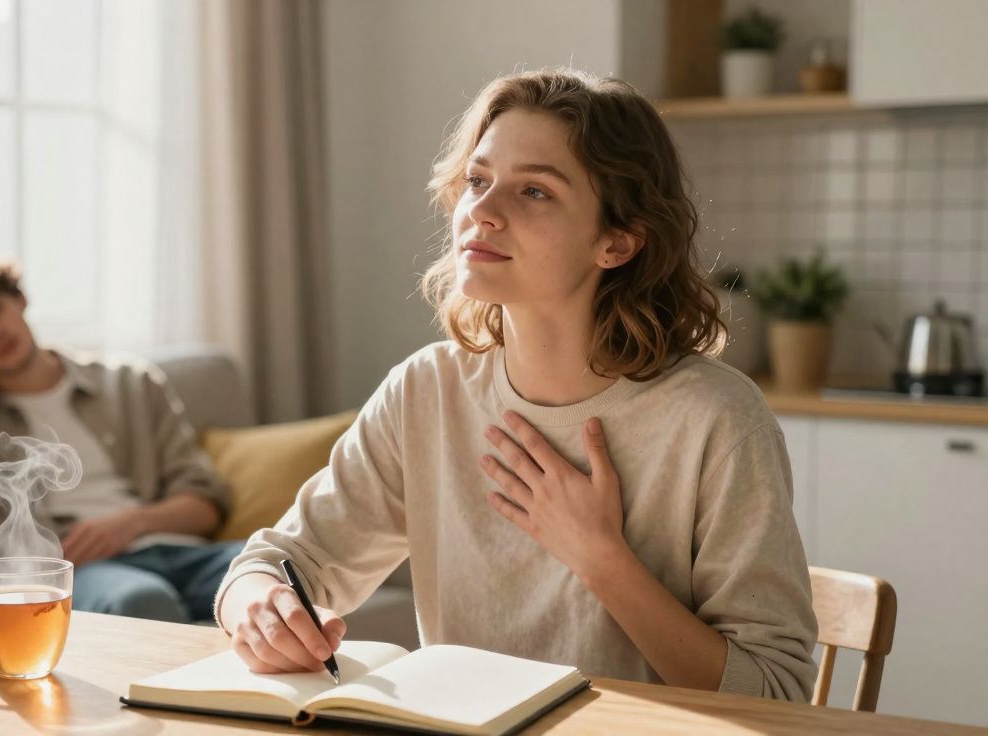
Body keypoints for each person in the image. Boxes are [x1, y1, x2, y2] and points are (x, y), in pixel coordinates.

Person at [214, 68, 819, 701]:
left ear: (617, 241)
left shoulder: (714, 418)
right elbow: (274, 563)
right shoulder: (426, 391)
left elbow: (773, 693)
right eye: (478, 181)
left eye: (534, 192)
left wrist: (599, 557)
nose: (482, 211)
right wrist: (257, 608)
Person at [0, 247, 243, 623]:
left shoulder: (129, 382)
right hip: (83, 572)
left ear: (19, 298)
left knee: (285, 569)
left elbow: (206, 505)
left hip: (183, 552)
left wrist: (129, 525)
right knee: (143, 600)